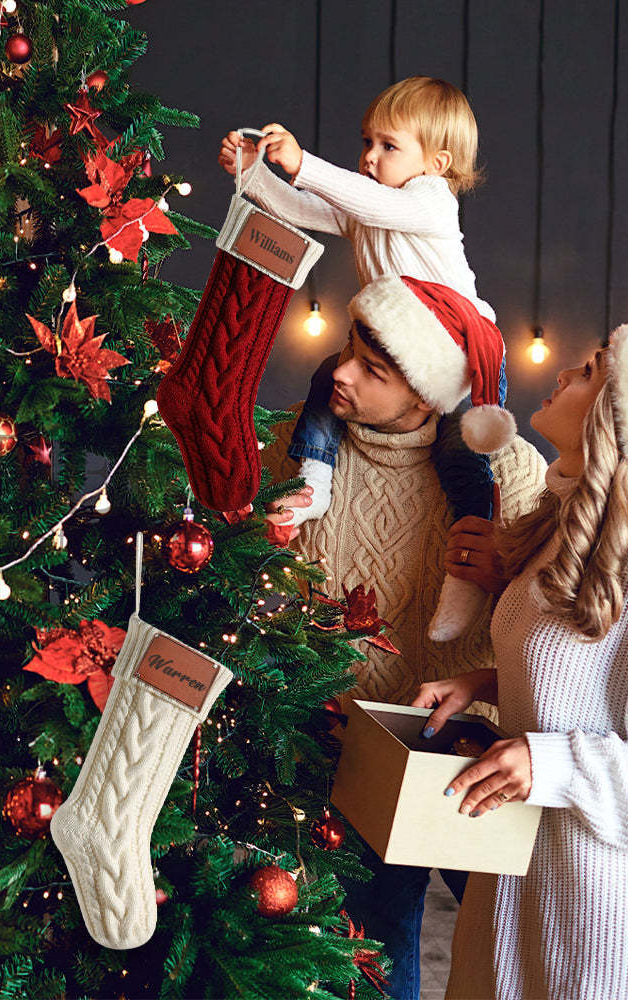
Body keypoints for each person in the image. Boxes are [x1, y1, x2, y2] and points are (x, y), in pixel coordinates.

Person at [261, 274, 546, 1000]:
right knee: (375, 964)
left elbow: (568, 623)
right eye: (350, 351)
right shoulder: (299, 452)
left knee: (515, 962)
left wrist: (507, 575)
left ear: (426, 395)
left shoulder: (510, 473)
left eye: (374, 370)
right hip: (342, 757)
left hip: (468, 757)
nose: (342, 374)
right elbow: (247, 587)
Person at [413, 320, 628, 998]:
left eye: (593, 369)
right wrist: (482, 683)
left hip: (611, 922)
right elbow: (589, 681)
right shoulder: (554, 532)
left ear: (623, 414)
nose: (567, 371)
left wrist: (552, 763)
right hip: (520, 888)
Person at [220, 76, 514, 642]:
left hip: (457, 350)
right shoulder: (371, 203)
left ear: (437, 161)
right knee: (327, 379)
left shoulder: (431, 201)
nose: (370, 157)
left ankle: (466, 570)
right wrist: (252, 173)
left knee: (461, 460)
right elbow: (305, 209)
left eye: (388, 146)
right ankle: (314, 479)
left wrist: (303, 162)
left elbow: (363, 197)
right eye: (367, 142)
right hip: (389, 341)